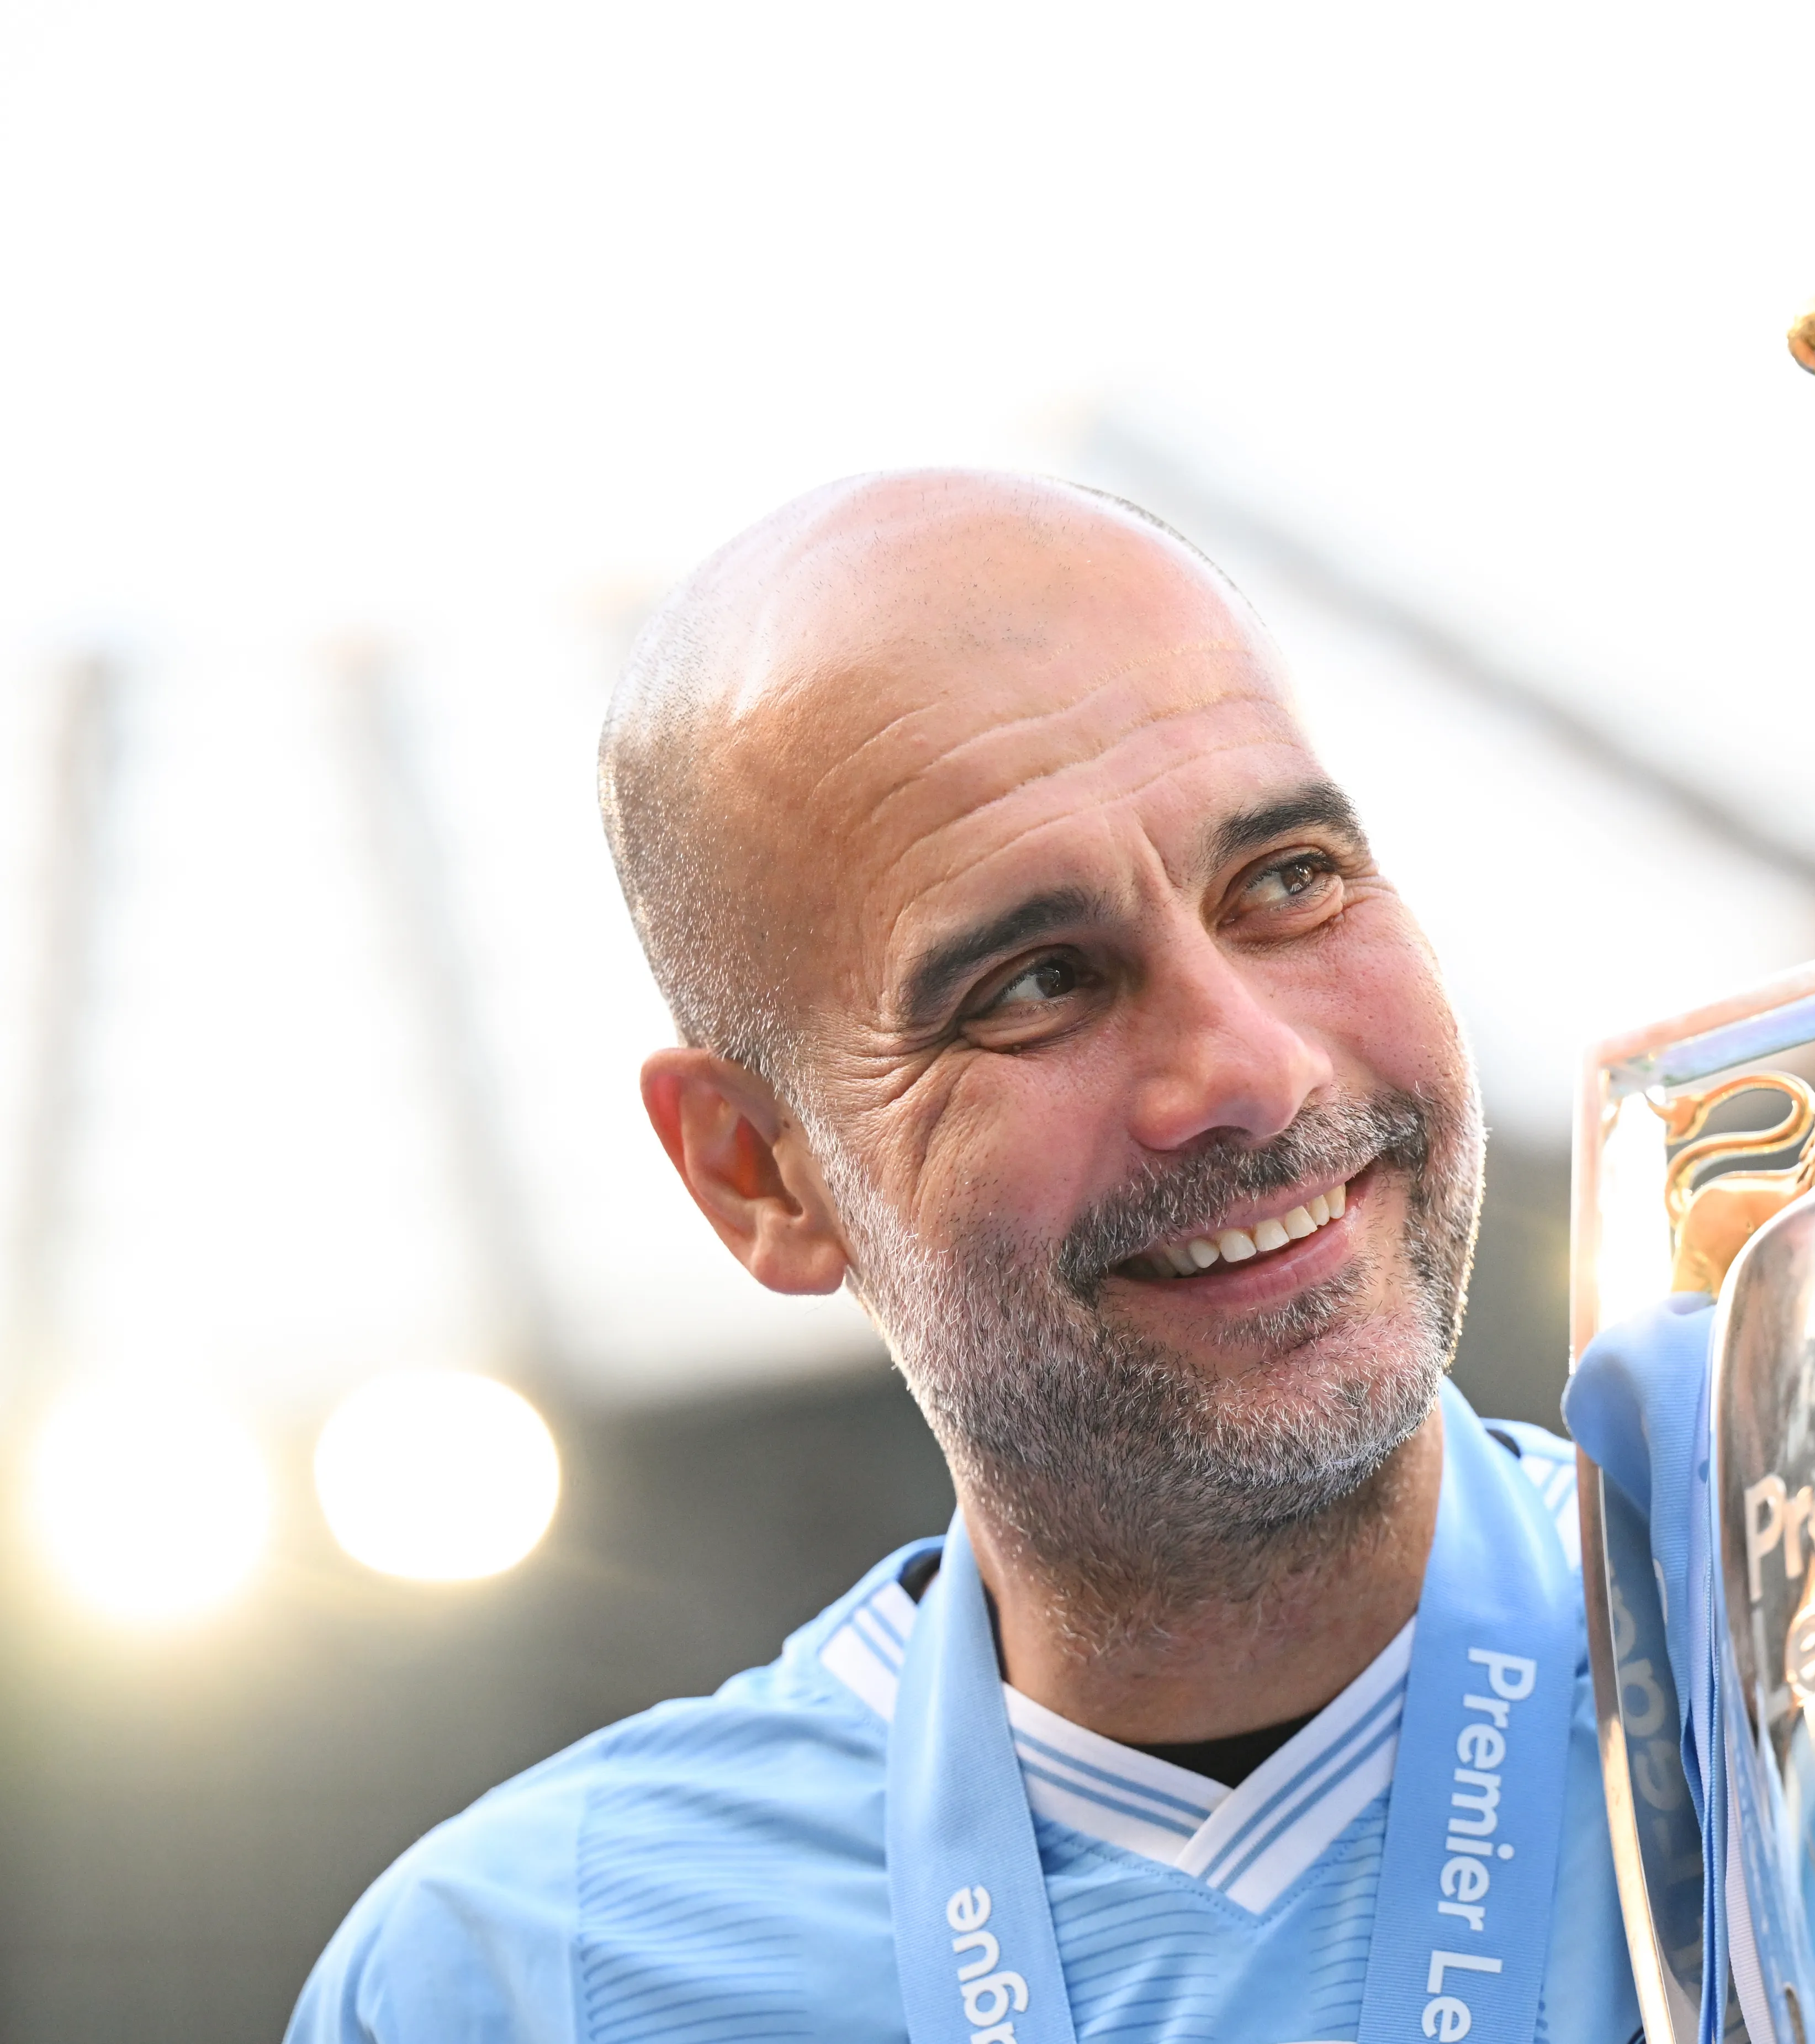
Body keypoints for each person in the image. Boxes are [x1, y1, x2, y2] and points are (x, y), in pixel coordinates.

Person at [287, 472, 1637, 2044]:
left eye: (1285, 882)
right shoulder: (515, 1979)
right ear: (758, 1175)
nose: (1248, 1069)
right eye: (1037, 983)